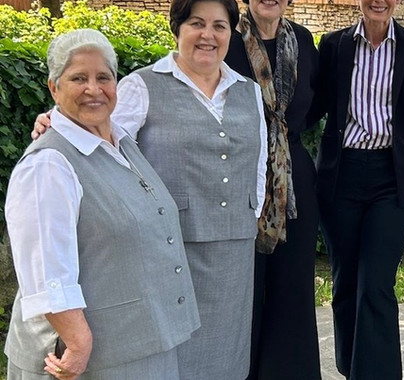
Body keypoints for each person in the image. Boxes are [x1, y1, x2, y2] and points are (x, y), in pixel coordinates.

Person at [33, 0, 269, 378]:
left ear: (231, 33)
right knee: (173, 357)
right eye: (196, 23)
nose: (208, 35)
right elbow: (101, 140)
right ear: (177, 28)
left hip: (233, 252)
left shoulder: (249, 91)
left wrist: (249, 213)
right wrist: (54, 121)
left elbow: (259, 163)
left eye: (219, 26)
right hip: (168, 251)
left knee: (227, 357)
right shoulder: (142, 85)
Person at [5, 29, 200, 380]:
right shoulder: (48, 164)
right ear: (53, 87)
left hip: (142, 346)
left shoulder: (121, 142)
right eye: (78, 78)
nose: (93, 89)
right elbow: (45, 269)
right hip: (89, 362)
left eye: (103, 78)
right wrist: (77, 343)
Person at [308, 0, 404, 377]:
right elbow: (315, 106)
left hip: (391, 179)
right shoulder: (334, 45)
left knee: (376, 284)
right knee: (345, 281)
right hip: (340, 174)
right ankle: (350, 366)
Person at [223, 0, 321, 377]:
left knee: (293, 287)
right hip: (239, 174)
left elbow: (315, 103)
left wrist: (282, 138)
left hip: (294, 177)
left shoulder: (303, 40)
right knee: (246, 287)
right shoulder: (225, 39)